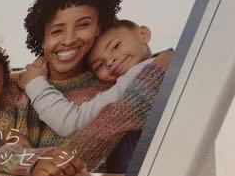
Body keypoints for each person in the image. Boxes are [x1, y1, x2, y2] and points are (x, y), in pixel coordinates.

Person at [0, 0, 168, 176]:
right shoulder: (13, 87)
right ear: (42, 40)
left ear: (98, 29)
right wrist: (31, 161)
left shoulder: (112, 85)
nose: (68, 40)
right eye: (56, 31)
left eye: (83, 25)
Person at [17, 20, 172, 137]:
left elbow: (71, 123)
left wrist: (35, 84)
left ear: (143, 34)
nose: (109, 61)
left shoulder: (142, 73)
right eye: (99, 65)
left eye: (115, 46)